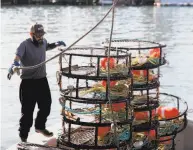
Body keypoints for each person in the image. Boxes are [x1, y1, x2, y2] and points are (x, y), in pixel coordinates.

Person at [7, 23, 66, 142]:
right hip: (28, 83)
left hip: (41, 81)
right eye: (38, 35)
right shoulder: (24, 45)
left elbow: (47, 46)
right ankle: (23, 137)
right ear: (31, 34)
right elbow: (17, 58)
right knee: (27, 113)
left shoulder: (43, 42)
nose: (40, 37)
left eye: (42, 34)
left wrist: (57, 43)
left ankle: (39, 127)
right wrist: (14, 67)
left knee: (46, 105)